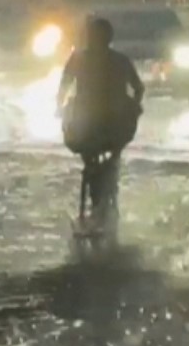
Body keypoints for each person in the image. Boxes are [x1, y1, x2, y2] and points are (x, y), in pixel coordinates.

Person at [58, 16, 145, 220]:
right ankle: (105, 179)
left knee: (90, 153)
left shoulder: (78, 59)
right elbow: (138, 88)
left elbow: (64, 87)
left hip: (98, 127)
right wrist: (133, 104)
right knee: (104, 154)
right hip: (111, 127)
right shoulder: (120, 60)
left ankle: (98, 178)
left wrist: (60, 107)